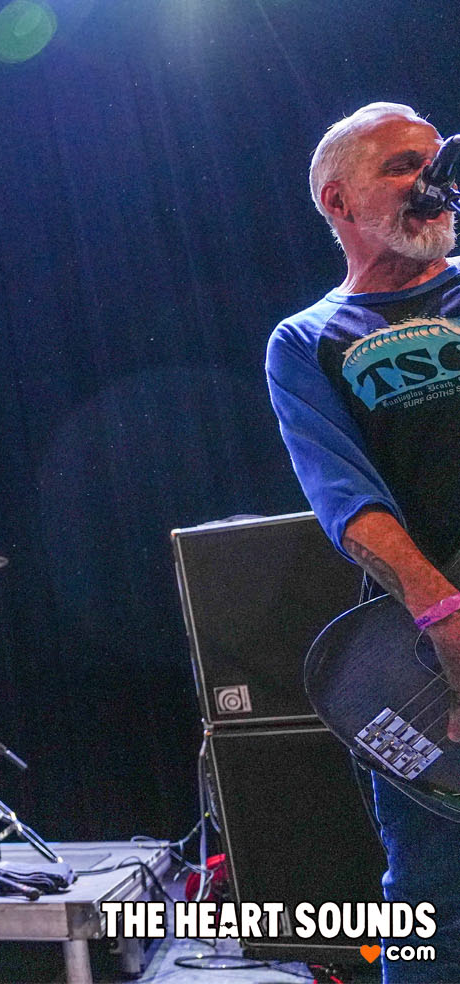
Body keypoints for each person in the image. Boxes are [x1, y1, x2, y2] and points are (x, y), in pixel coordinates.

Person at [267, 101, 460, 982]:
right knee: (432, 905)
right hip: (426, 655)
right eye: (401, 166)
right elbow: (347, 500)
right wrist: (445, 618)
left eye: (434, 161)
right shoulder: (309, 339)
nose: (429, 180)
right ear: (339, 202)